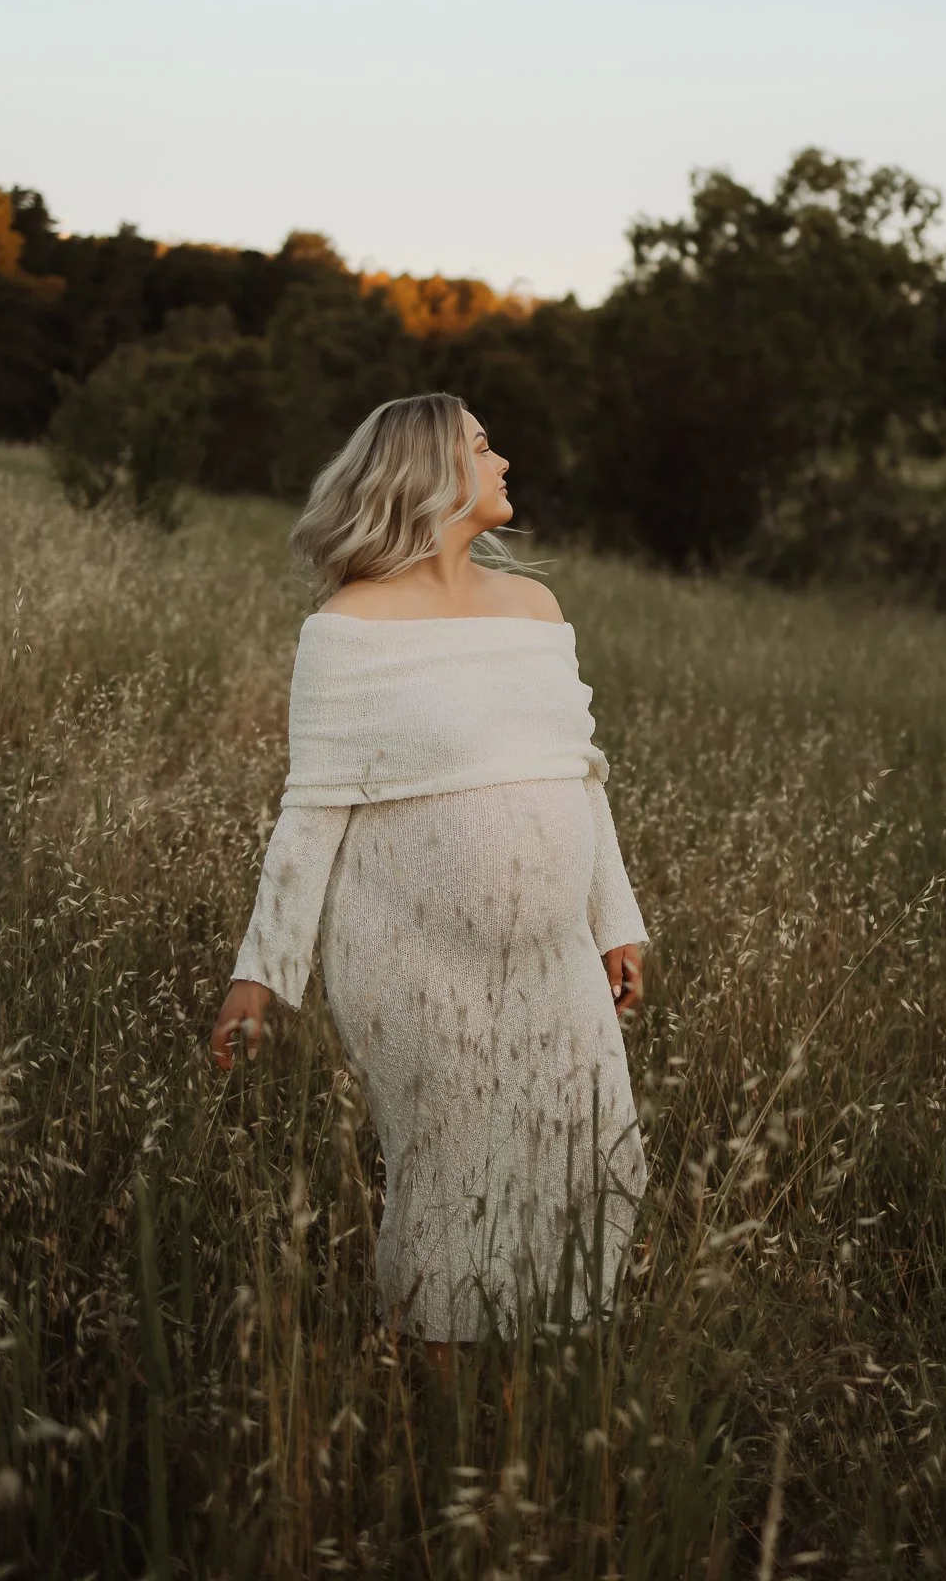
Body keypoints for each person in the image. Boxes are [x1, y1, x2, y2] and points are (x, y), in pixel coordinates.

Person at [210, 392, 649, 1364]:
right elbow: (312, 806)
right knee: (455, 1177)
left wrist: (614, 919)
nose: (502, 457)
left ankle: (532, 1387)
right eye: (481, 444)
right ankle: (437, 1415)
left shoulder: (533, 608)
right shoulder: (349, 626)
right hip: (410, 956)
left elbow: (582, 772)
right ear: (428, 472)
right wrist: (263, 969)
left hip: (554, 952)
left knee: (594, 1152)